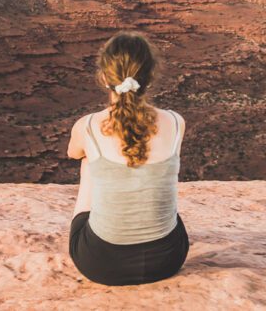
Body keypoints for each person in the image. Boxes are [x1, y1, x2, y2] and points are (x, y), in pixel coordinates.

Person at [66, 31, 190, 286]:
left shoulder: (88, 126)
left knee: (89, 159)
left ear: (103, 77)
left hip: (100, 263)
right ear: (150, 77)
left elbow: (72, 153)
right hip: (167, 259)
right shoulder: (176, 122)